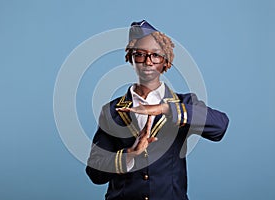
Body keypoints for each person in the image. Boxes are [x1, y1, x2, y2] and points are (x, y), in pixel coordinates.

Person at [86, 20, 229, 200]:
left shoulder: (184, 103)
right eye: (140, 54)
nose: (148, 61)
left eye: (156, 55)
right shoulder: (112, 111)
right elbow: (95, 173)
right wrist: (130, 154)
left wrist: (167, 108)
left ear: (166, 60)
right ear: (130, 57)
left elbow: (220, 126)